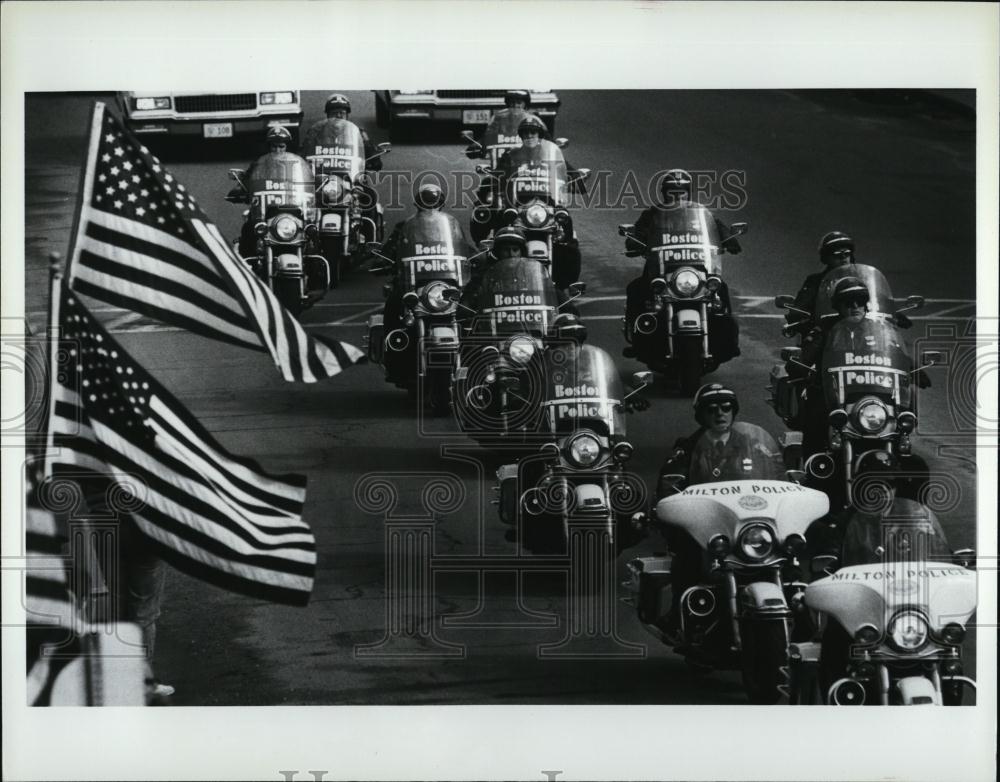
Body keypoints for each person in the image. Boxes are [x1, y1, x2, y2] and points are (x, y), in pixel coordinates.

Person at [653, 384, 779, 642]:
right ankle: (677, 616)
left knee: (787, 551)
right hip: (709, 523)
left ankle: (800, 607)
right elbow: (668, 484)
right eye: (712, 410)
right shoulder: (686, 449)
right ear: (702, 415)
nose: (720, 414)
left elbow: (778, 475)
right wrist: (672, 499)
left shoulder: (753, 445)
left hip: (749, 522)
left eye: (726, 408)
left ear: (734, 412)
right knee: (686, 551)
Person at [622, 169, 742, 361]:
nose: (677, 196)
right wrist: (634, 241)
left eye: (681, 192)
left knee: (721, 290)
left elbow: (717, 227)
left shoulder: (701, 212)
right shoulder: (652, 214)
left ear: (688, 193)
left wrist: (729, 238)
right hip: (661, 271)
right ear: (664, 192)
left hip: (696, 269)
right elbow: (638, 233)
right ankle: (636, 339)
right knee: (636, 289)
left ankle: (728, 341)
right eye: (672, 192)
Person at [374, 183, 471, 384]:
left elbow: (464, 248)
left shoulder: (451, 226)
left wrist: (477, 258)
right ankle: (394, 362)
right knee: (393, 309)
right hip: (412, 286)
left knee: (471, 312)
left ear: (440, 204)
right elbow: (390, 249)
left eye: (433, 202)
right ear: (418, 204)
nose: (430, 206)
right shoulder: (405, 226)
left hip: (445, 286)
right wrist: (383, 260)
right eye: (426, 202)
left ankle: (478, 362)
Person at [785, 231, 857, 336]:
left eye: (847, 253)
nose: (843, 258)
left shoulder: (863, 278)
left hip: (860, 332)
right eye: (837, 254)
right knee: (809, 349)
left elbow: (881, 302)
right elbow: (801, 307)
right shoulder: (815, 281)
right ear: (826, 258)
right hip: (825, 334)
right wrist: (797, 317)